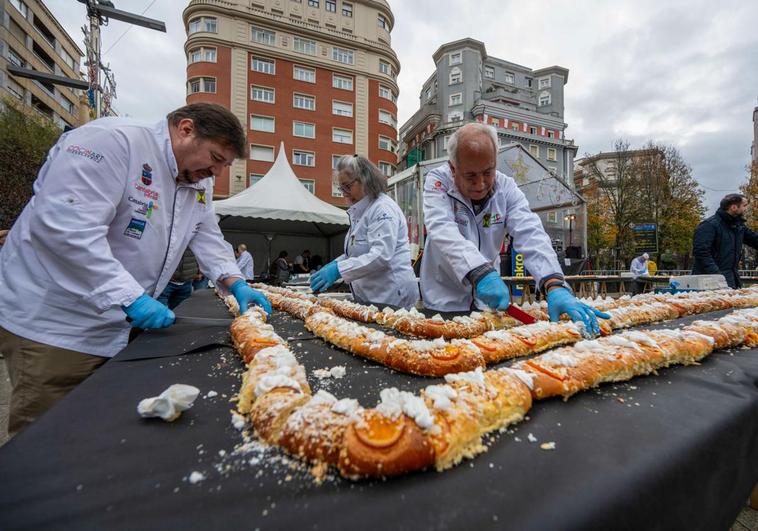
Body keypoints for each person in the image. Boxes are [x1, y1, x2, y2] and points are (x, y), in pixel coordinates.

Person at [0, 103, 272, 436]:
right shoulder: (110, 142)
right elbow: (66, 228)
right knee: (50, 436)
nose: (217, 173)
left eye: (225, 165)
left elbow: (205, 231)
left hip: (120, 328)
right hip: (58, 325)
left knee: (105, 430)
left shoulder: (198, 177)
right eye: (216, 159)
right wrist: (131, 297)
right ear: (185, 129)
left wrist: (234, 280)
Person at [419, 123, 608, 333]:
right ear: (453, 168)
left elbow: (530, 232)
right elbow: (442, 229)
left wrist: (554, 283)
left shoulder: (506, 187)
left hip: (486, 304)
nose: (481, 184)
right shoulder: (438, 182)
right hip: (444, 297)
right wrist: (479, 272)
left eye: (487, 172)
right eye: (470, 176)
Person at [310, 155, 419, 308]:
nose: (344, 193)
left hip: (391, 296)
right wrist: (336, 263)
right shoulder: (360, 212)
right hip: (373, 297)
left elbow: (380, 255)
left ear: (366, 180)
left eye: (347, 186)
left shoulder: (382, 209)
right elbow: (358, 252)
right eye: (341, 188)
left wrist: (339, 269)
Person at [692, 193, 758, 288]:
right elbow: (701, 253)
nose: (746, 209)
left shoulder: (738, 226)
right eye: (744, 206)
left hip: (730, 280)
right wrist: (718, 276)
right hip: (709, 283)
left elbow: (754, 239)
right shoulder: (709, 225)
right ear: (734, 207)